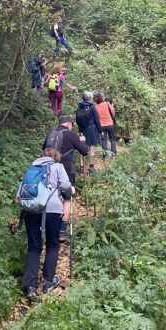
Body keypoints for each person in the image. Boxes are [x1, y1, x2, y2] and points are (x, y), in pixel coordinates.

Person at [21, 148, 72, 299]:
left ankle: (31, 286)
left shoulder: (32, 168)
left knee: (34, 247)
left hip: (30, 210)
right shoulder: (57, 167)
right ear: (56, 157)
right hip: (52, 210)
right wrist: (70, 193)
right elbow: (65, 187)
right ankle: (48, 281)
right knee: (52, 244)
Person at [43, 115, 89, 241]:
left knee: (49, 195)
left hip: (49, 169)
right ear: (69, 124)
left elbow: (44, 151)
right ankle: (62, 231)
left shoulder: (51, 134)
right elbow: (84, 151)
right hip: (67, 170)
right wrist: (83, 141)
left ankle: (46, 226)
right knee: (66, 198)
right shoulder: (71, 134)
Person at [75, 91, 102, 176]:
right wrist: (100, 131)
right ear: (90, 98)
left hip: (82, 130)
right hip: (91, 130)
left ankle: (81, 169)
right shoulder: (92, 107)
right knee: (92, 149)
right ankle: (91, 167)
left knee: (81, 148)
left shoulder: (79, 107)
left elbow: (77, 119)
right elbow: (97, 120)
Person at [95, 92, 117, 159]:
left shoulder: (95, 107)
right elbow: (113, 114)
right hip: (110, 124)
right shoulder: (108, 104)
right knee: (113, 139)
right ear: (103, 98)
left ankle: (105, 156)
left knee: (104, 140)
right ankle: (114, 155)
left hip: (101, 126)